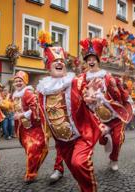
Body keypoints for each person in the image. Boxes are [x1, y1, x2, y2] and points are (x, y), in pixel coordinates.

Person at [37, 31, 104, 192]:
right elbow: (41, 115)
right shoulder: (42, 90)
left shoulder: (75, 82)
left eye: (62, 61)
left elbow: (89, 95)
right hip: (62, 142)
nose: (59, 63)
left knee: (79, 163)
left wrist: (91, 97)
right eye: (55, 61)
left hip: (81, 135)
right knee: (75, 170)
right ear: (48, 66)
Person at [80, 38, 132, 171]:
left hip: (114, 115)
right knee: (100, 139)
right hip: (97, 118)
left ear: (98, 60)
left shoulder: (107, 76)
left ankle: (114, 159)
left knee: (117, 140)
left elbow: (118, 95)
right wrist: (85, 99)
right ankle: (104, 140)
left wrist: (121, 102)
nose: (91, 62)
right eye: (88, 60)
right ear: (86, 62)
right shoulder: (82, 79)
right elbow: (78, 96)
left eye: (93, 59)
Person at [11, 71, 48, 183]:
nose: (18, 83)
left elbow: (35, 107)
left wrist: (22, 115)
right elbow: (13, 107)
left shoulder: (27, 93)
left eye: (20, 81)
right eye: (16, 81)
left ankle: (31, 174)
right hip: (25, 128)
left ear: (25, 82)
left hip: (35, 128)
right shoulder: (15, 95)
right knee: (29, 150)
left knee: (33, 149)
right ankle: (32, 171)